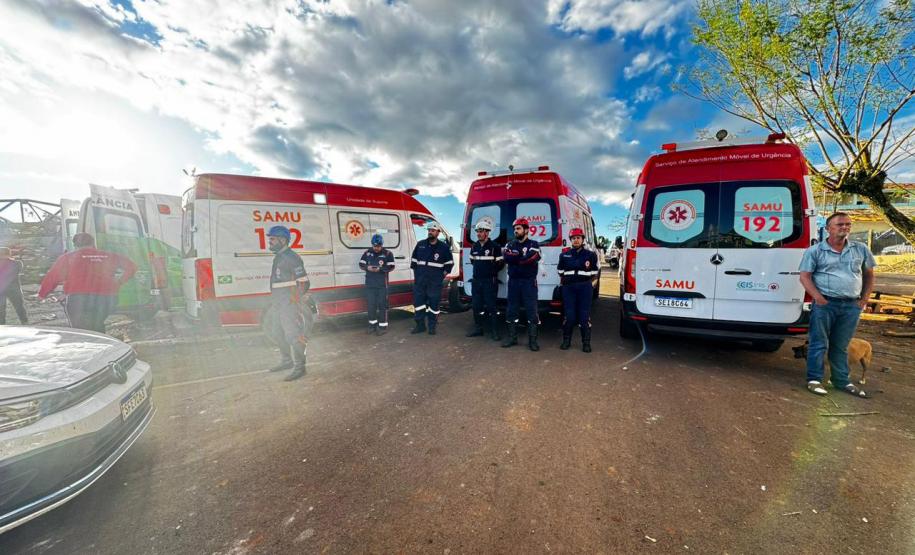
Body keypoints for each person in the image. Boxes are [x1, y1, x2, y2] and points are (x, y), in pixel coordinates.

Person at [799, 212, 876, 398]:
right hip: (826, 303)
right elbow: (805, 276)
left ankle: (841, 381)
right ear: (828, 228)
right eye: (840, 224)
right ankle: (814, 380)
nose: (845, 227)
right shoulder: (815, 251)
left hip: (851, 305)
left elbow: (869, 275)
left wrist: (864, 299)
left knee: (840, 345)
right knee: (818, 344)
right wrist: (817, 297)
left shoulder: (861, 249)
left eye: (848, 225)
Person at [38, 233, 136, 333]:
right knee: (97, 324)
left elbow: (53, 277)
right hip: (107, 298)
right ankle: (102, 343)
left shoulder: (67, 258)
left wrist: (42, 294)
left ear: (75, 245)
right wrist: (119, 282)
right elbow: (132, 267)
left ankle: (90, 345)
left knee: (82, 331)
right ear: (93, 243)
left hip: (79, 299)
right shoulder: (109, 256)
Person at [264, 225, 311, 381]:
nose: (269, 242)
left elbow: (304, 282)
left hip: (289, 303)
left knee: (294, 335)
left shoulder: (292, 257)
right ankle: (286, 361)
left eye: (272, 239)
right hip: (278, 303)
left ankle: (300, 367)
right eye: (269, 239)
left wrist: (294, 300)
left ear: (282, 240)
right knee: (277, 331)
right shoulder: (279, 256)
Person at [501, 218, 541, 351]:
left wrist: (516, 258)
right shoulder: (510, 244)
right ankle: (512, 338)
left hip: (529, 282)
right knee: (511, 310)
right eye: (515, 228)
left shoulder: (534, 244)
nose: (515, 231)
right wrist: (520, 258)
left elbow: (532, 257)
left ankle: (532, 341)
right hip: (513, 282)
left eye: (518, 228)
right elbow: (506, 257)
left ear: (526, 230)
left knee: (532, 311)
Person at [557, 227, 599, 352]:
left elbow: (594, 272)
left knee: (584, 317)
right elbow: (560, 272)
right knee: (569, 316)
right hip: (569, 289)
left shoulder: (590, 255)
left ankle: (586, 343)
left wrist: (588, 284)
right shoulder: (564, 255)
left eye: (578, 238)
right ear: (571, 240)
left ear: (582, 239)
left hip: (585, 288)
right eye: (574, 238)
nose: (576, 240)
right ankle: (566, 341)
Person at [410, 221, 453, 335]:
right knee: (419, 304)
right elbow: (414, 262)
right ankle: (420, 325)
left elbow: (449, 264)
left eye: (433, 230)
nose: (430, 232)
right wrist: (417, 276)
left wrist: (440, 276)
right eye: (429, 230)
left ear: (438, 232)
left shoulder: (444, 248)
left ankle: (432, 326)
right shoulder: (420, 245)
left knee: (434, 305)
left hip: (434, 283)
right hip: (420, 282)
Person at [466, 220, 504, 341]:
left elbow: (500, 264)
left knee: (492, 307)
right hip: (477, 281)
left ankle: (494, 331)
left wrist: (489, 272)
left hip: (489, 282)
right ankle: (478, 329)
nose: (478, 234)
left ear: (487, 233)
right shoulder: (474, 246)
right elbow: (473, 261)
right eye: (477, 231)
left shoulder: (495, 247)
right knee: (476, 306)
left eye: (481, 231)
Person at [359, 234, 395, 335]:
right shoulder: (367, 253)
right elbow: (361, 264)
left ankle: (383, 327)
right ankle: (372, 326)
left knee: (382, 305)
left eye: (378, 246)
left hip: (382, 285)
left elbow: (391, 266)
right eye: (375, 246)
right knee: (371, 305)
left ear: (382, 245)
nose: (376, 248)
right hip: (370, 284)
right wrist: (367, 268)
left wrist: (381, 269)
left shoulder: (388, 254)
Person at [0, 247, 28, 325]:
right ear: (9, 254)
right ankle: (25, 322)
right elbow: (19, 268)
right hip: (14, 288)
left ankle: (2, 326)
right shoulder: (16, 263)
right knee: (19, 307)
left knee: (1, 310)